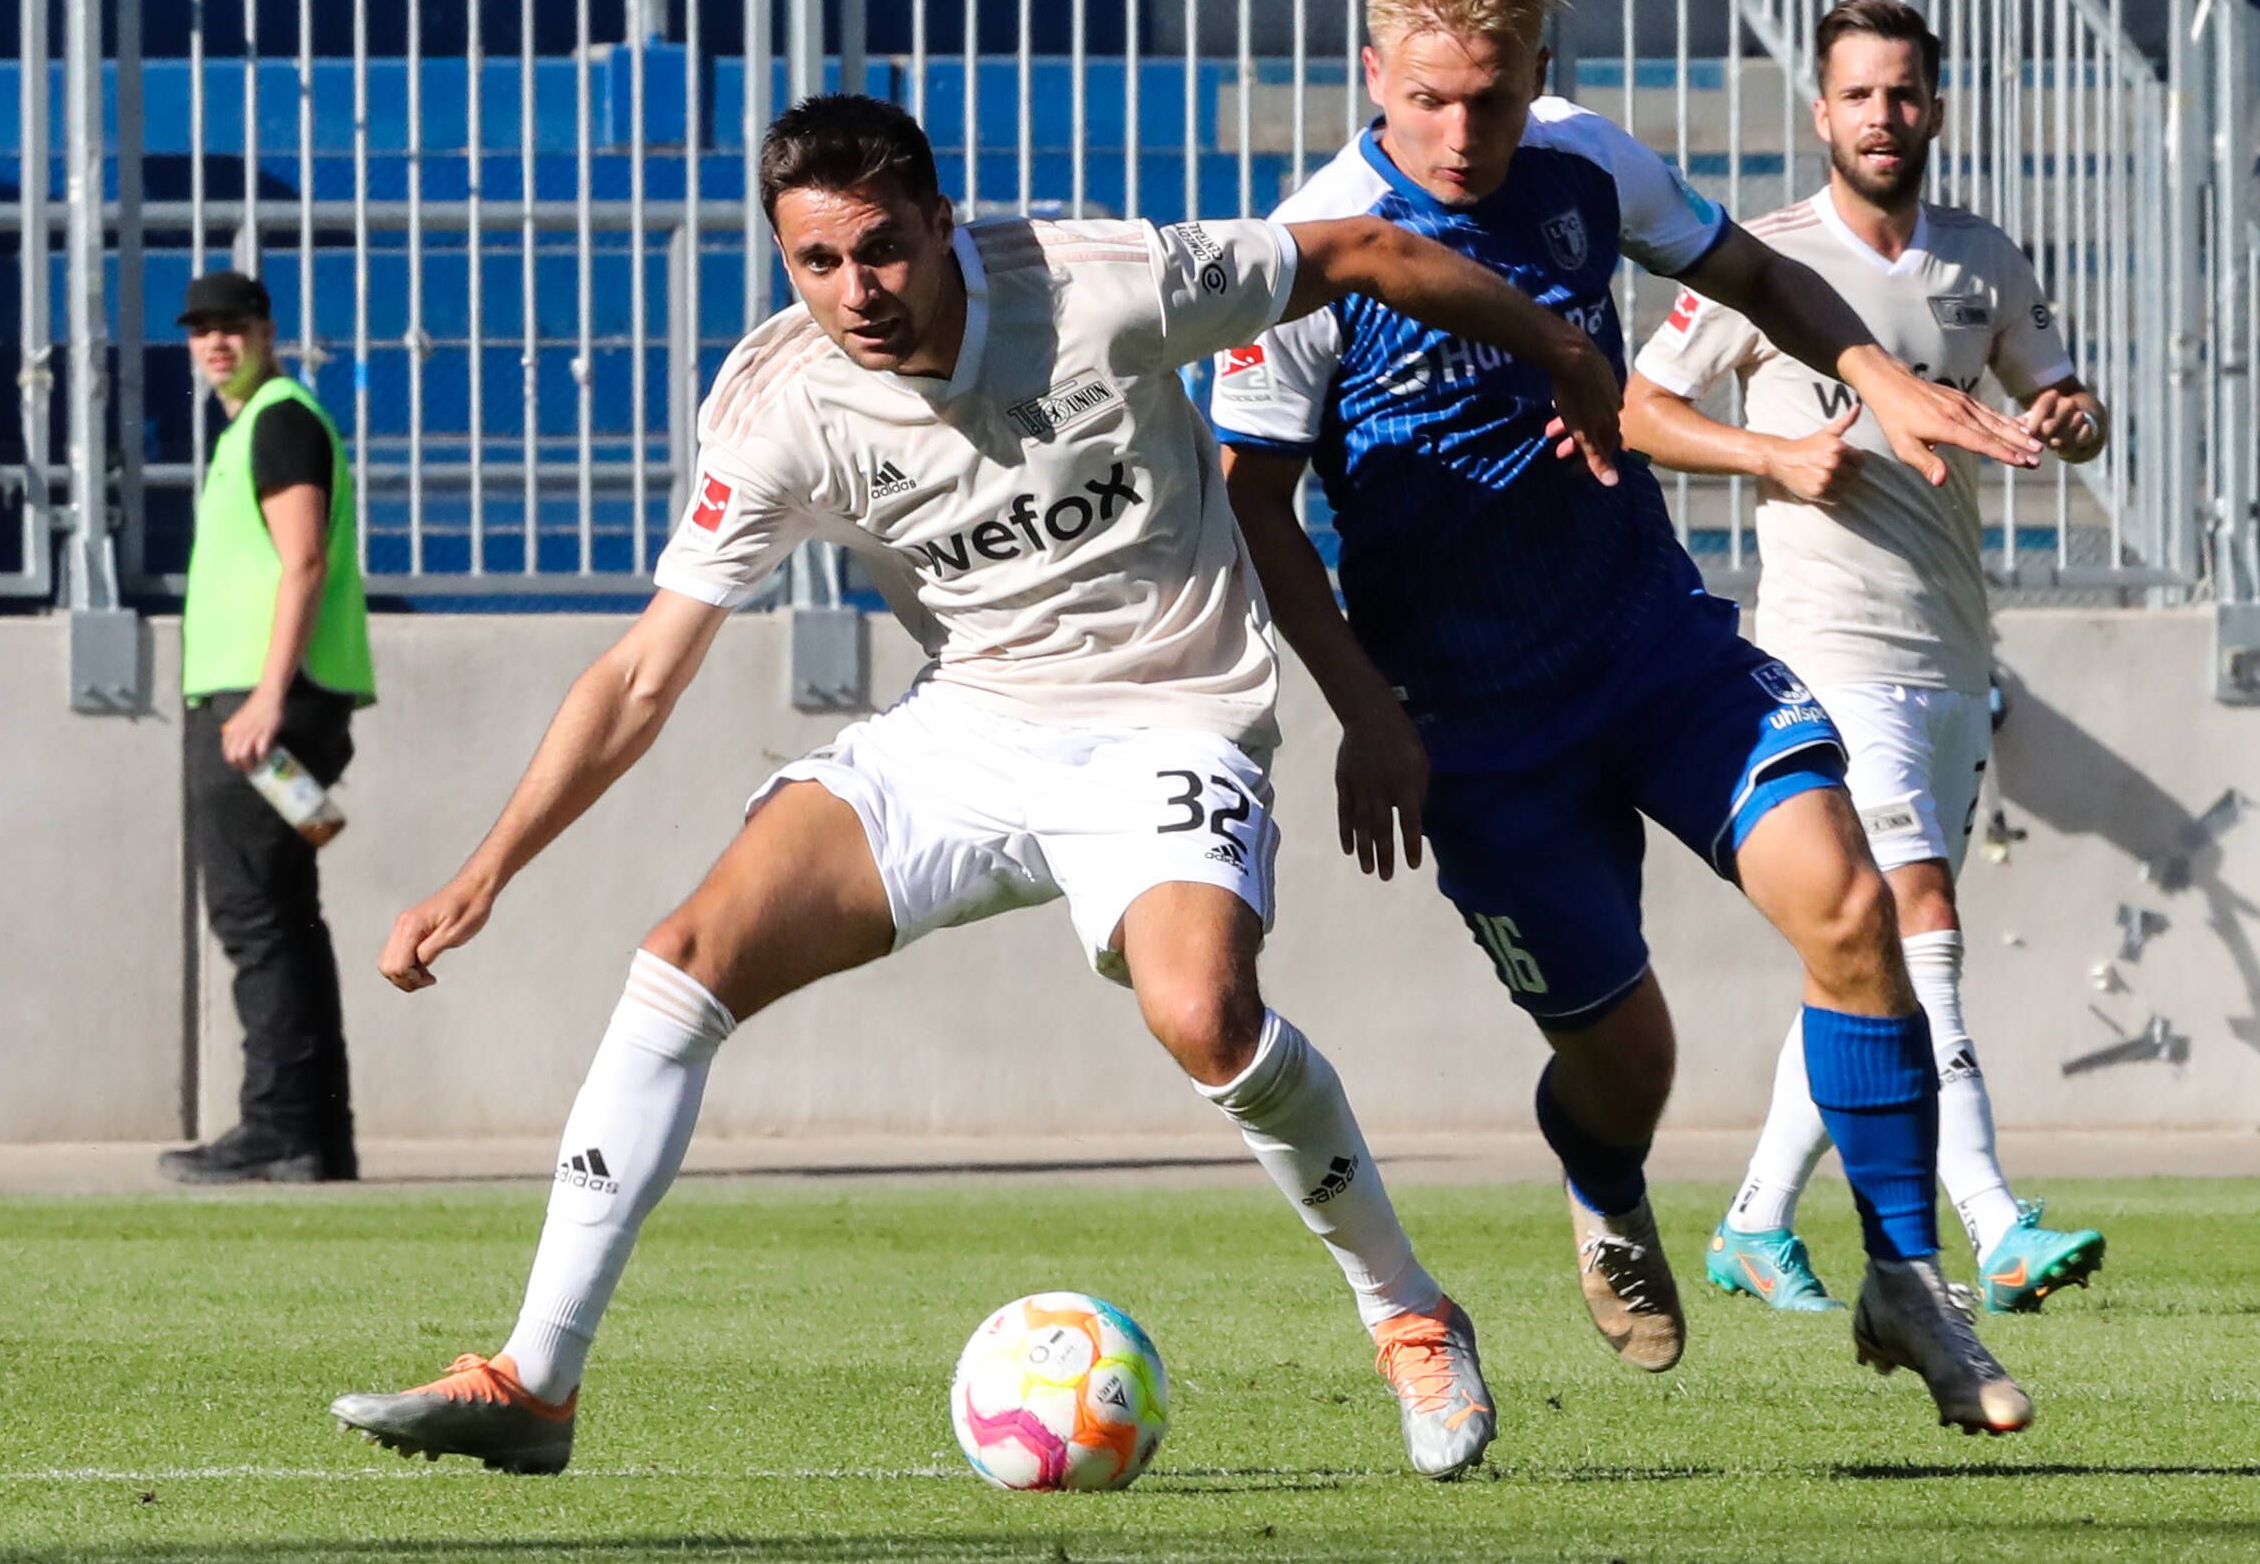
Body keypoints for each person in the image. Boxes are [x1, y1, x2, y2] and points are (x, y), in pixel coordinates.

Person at [329, 94, 1637, 1479]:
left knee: (1203, 1017)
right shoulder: (781, 409)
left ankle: (1411, 1316)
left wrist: (1559, 346)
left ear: (944, 221)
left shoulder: (1097, 287)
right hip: (966, 728)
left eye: (883, 249)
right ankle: (537, 1383)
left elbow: (1369, 247)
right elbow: (643, 673)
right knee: (680, 966)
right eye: (816, 264)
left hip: (1167, 718)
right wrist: (486, 871)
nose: (857, 292)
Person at [1213, 0, 2044, 1434]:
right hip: (1475, 724)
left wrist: (1875, 370)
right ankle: (1608, 1196)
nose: (1463, 132)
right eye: (1430, 98)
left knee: (1853, 907)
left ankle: (1907, 1279)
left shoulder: (1588, 163)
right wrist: (1366, 709)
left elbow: (1743, 272)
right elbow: (1254, 500)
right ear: (1370, 73)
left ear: (1544, 70)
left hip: (1652, 644)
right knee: (1627, 1057)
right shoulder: (1312, 249)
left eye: (1497, 92)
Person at [1625, 0, 2111, 1316]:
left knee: (1871, 964)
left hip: (1951, 649)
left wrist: (2070, 417)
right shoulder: (1764, 260)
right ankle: (1994, 1222)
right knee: (1920, 923)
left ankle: (1753, 1223)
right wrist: (1772, 455)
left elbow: (2065, 408)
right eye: (1858, 96)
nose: (1882, 117)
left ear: (1933, 109)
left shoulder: (1981, 261)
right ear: (1821, 112)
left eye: (1903, 94)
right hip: (1825, 654)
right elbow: (1637, 406)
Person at [161, 270, 376, 1186]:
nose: (216, 344)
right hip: (276, 704)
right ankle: (317, 1136)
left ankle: (278, 1129)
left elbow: (305, 561)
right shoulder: (259, 424)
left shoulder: (280, 420)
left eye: (231, 328)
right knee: (286, 917)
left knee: (255, 919)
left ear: (265, 332)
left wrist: (263, 700)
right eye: (201, 331)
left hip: (264, 710)